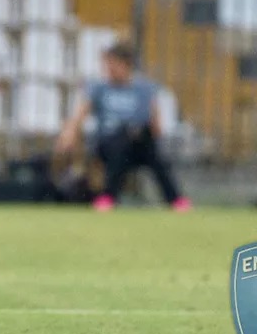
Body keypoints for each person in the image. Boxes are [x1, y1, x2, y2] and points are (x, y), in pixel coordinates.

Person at [55, 42, 191, 212]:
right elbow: (80, 114)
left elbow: (155, 124)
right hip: (109, 143)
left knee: (154, 154)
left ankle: (175, 200)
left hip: (139, 144)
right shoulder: (99, 88)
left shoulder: (144, 89)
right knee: (121, 141)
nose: (109, 69)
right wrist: (69, 134)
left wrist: (151, 133)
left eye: (113, 64)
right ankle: (108, 196)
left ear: (126, 65)